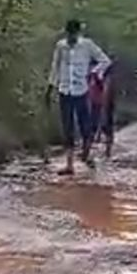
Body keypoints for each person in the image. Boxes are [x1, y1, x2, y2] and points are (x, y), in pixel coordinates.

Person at [47, 19, 110, 175]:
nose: (72, 37)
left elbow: (105, 60)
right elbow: (55, 67)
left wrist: (94, 73)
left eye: (74, 34)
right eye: (69, 34)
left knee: (85, 125)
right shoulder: (61, 46)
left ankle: (86, 154)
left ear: (78, 33)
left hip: (82, 90)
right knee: (67, 126)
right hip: (65, 90)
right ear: (66, 32)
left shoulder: (87, 45)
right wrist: (50, 88)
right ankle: (69, 165)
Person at [88, 57, 116, 160]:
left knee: (106, 124)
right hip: (95, 102)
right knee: (93, 126)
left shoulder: (103, 76)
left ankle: (107, 150)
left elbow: (106, 89)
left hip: (103, 102)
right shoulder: (93, 75)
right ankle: (90, 150)